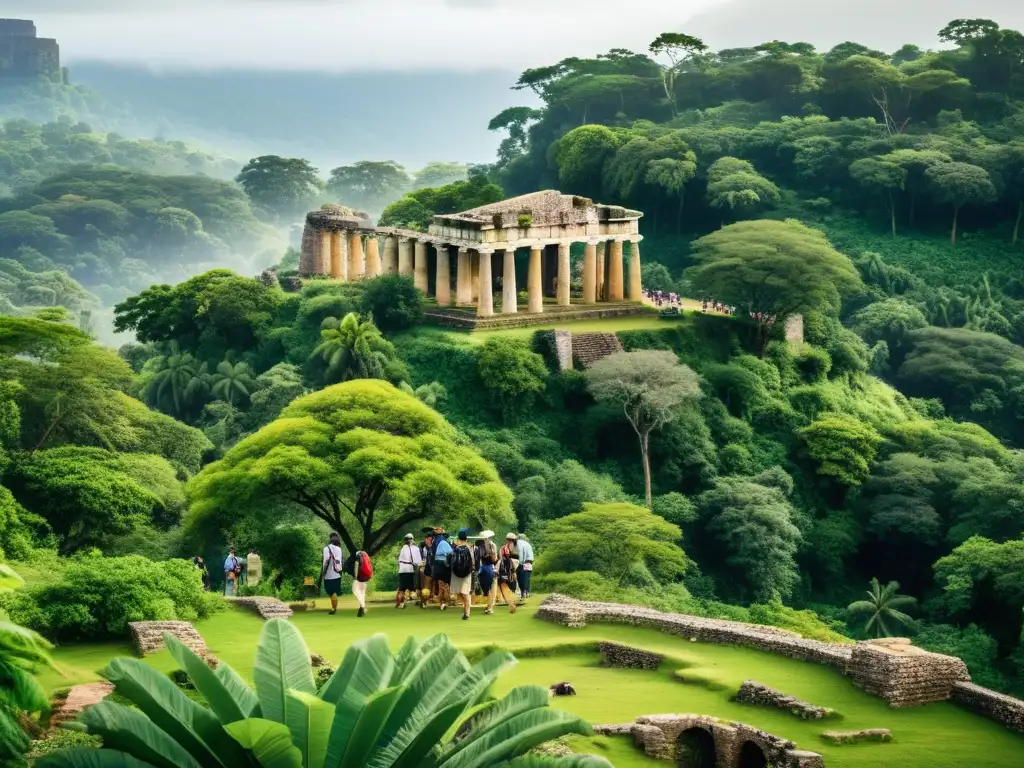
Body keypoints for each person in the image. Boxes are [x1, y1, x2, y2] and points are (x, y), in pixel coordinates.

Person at [448, 529, 476, 620]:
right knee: (466, 592)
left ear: (459, 538)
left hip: (457, 573)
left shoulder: (455, 548)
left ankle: (466, 611)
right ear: (466, 538)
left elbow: (451, 561)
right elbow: (473, 562)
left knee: (461, 592)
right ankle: (467, 611)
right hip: (467, 573)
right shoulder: (470, 548)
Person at [317, 532, 345, 615]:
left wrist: (323, 573)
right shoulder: (339, 549)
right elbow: (339, 562)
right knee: (335, 592)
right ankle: (334, 608)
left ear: (330, 539)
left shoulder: (326, 549)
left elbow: (325, 562)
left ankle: (333, 608)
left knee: (330, 592)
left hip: (328, 574)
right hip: (337, 573)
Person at [396, 533, 422, 608]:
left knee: (402, 588)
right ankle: (418, 601)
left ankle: (400, 604)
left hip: (402, 569)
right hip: (409, 569)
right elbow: (417, 561)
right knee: (411, 588)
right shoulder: (414, 548)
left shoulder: (403, 548)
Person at [496, 533, 518, 614]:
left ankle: (511, 603)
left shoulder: (503, 547)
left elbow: (500, 558)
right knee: (509, 587)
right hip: (509, 569)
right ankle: (512, 602)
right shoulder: (510, 547)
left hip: (504, 569)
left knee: (504, 587)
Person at [478, 530, 499, 614]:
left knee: (488, 588)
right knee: (491, 588)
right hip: (490, 567)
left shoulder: (481, 547)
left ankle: (489, 606)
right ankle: (490, 606)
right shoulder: (492, 546)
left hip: (484, 568)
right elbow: (495, 559)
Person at [346, 550, 371, 617]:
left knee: (355, 590)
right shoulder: (366, 555)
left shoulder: (357, 556)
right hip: (366, 575)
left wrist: (355, 577)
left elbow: (356, 565)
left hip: (360, 576)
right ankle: (361, 609)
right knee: (362, 592)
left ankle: (362, 606)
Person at [432, 530, 453, 609]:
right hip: (444, 565)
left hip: (437, 565)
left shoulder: (436, 543)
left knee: (440, 585)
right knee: (446, 586)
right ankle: (445, 602)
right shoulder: (445, 543)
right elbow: (450, 554)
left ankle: (441, 603)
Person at [516, 534, 535, 600]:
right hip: (529, 563)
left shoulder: (518, 543)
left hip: (522, 563)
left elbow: (521, 553)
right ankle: (527, 592)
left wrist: (520, 562)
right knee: (527, 578)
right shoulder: (528, 544)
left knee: (521, 578)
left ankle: (522, 592)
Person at [419, 532, 434, 608]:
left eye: (430, 539)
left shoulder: (433, 548)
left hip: (432, 568)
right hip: (424, 568)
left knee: (431, 586)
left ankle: (428, 600)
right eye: (427, 539)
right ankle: (423, 601)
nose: (428, 541)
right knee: (424, 586)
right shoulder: (422, 548)